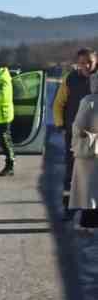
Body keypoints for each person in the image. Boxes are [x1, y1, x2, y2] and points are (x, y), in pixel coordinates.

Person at [53, 48, 97, 213]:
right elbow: (59, 104)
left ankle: (90, 211)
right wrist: (60, 124)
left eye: (89, 62)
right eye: (81, 63)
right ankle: (69, 208)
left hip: (96, 136)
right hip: (75, 136)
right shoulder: (70, 79)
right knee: (71, 171)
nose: (85, 66)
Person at [70, 71, 98, 233]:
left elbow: (78, 127)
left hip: (89, 152)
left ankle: (88, 224)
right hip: (92, 152)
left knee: (89, 191)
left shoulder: (88, 101)